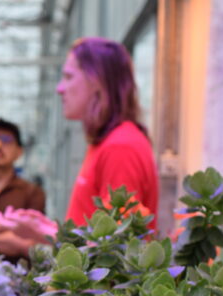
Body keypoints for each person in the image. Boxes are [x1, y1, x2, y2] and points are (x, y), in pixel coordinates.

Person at [56, 37, 159, 229]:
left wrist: (43, 233)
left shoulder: (121, 148)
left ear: (97, 82)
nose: (60, 89)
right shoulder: (104, 143)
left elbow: (115, 251)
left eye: (69, 77)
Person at [0, 118, 46, 262]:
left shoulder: (33, 192)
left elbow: (31, 243)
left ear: (19, 152)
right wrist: (8, 229)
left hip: (18, 280)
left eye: (6, 140)